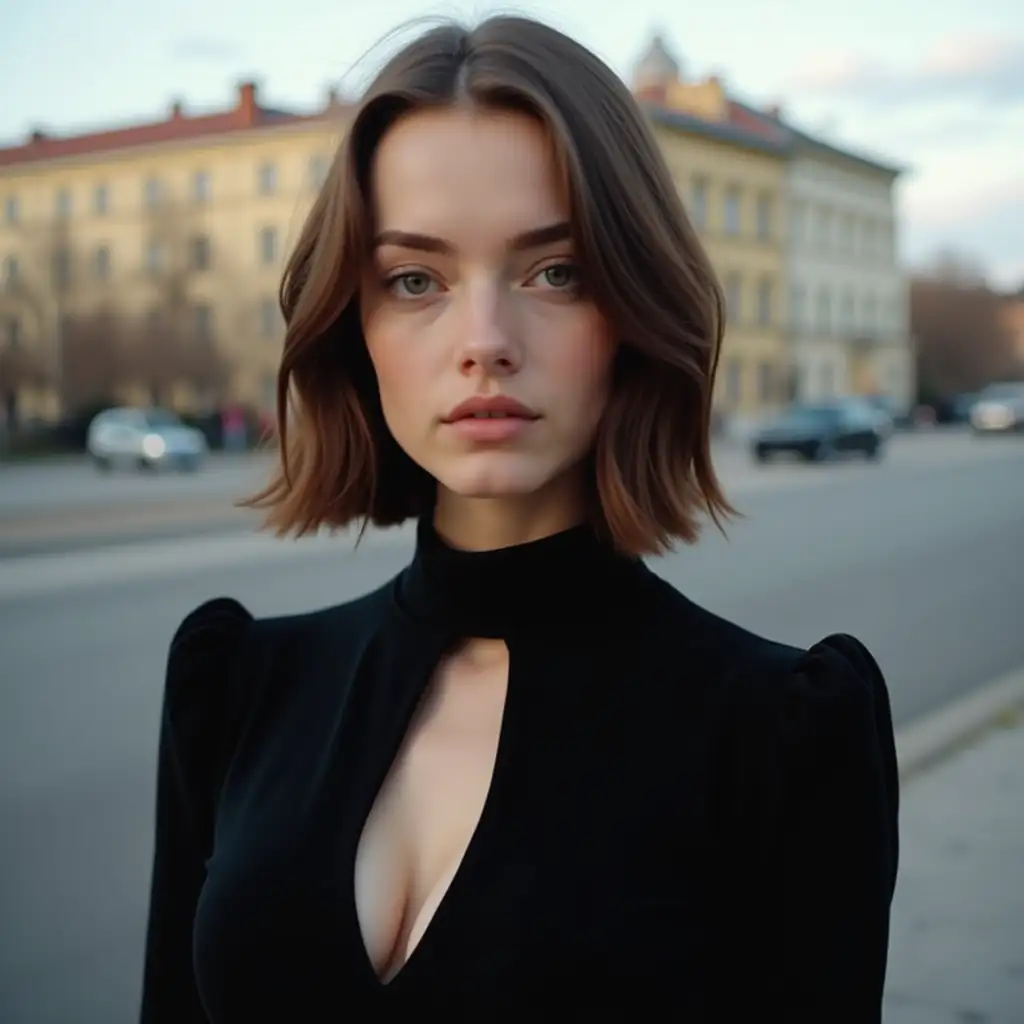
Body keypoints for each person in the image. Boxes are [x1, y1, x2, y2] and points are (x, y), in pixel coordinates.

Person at [139, 15, 899, 1022]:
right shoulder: (234, 689)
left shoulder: (783, 734)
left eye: (556, 271)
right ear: (351, 321)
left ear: (634, 305)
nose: (484, 341)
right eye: (416, 279)